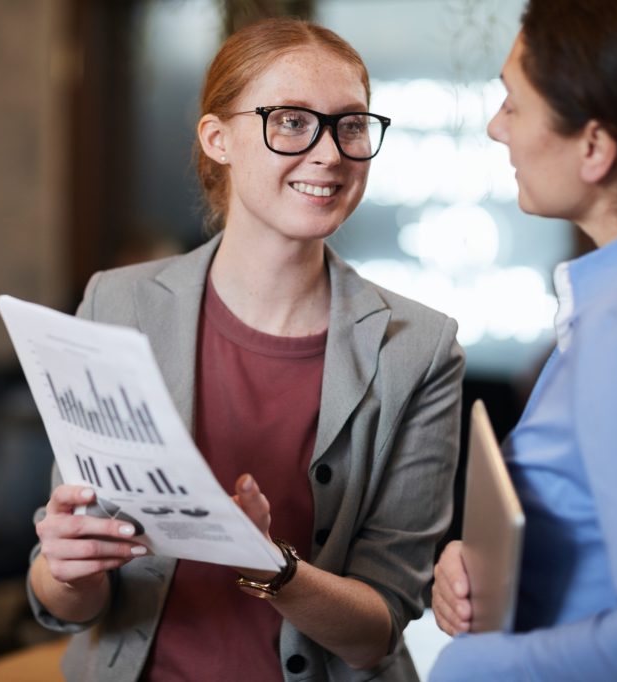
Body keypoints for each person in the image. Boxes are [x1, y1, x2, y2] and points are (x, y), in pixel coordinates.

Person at [25, 17, 465, 682]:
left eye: (350, 124)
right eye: (291, 121)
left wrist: (275, 569)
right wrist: (64, 565)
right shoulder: (118, 305)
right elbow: (74, 599)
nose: (330, 153)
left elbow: (378, 629)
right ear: (217, 138)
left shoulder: (420, 348)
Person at [429, 1, 617, 680]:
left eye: (513, 104)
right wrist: (496, 572)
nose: (495, 127)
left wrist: (468, 669)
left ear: (594, 147)